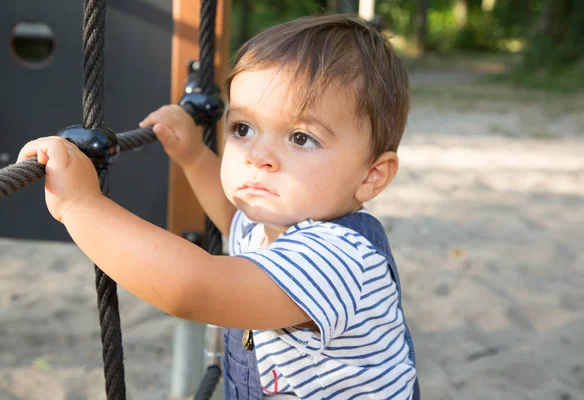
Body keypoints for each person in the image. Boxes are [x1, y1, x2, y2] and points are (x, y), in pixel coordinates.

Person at [18, 13, 419, 399]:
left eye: (300, 138)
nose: (258, 155)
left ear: (372, 175)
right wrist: (193, 156)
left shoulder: (340, 258)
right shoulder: (272, 221)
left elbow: (194, 288)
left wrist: (81, 207)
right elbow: (232, 219)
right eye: (243, 129)